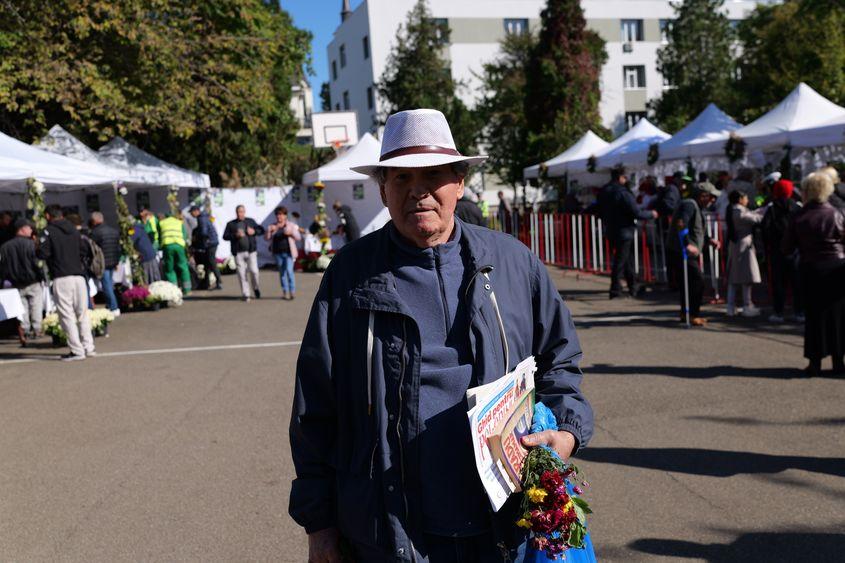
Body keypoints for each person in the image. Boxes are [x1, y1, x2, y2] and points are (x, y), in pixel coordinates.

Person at [289, 109, 592, 562]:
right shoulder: (349, 275)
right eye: (402, 177)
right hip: (388, 531)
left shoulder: (513, 263)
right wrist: (320, 524)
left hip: (505, 526)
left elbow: (559, 361)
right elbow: (315, 405)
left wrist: (565, 433)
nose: (418, 190)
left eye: (433, 174)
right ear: (383, 190)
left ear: (460, 182)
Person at [782, 172, 845, 376]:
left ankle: (815, 362)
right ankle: (838, 361)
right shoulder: (838, 214)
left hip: (811, 267)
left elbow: (786, 247)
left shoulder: (799, 216)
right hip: (837, 268)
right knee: (838, 316)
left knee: (814, 316)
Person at [40, 205, 95, 361]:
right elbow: (84, 249)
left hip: (61, 276)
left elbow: (43, 253)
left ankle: (77, 350)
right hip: (79, 276)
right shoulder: (74, 230)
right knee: (82, 313)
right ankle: (88, 347)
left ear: (48, 216)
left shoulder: (48, 231)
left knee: (67, 315)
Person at [598, 166, 658, 298]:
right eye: (625, 177)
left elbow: (599, 209)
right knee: (620, 261)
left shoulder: (604, 191)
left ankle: (633, 285)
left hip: (611, 229)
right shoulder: (623, 192)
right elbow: (635, 211)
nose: (626, 180)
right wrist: (651, 214)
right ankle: (615, 289)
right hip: (624, 230)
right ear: (620, 177)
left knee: (626, 259)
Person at [667, 183, 722, 326]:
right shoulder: (689, 205)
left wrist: (709, 240)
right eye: (711, 197)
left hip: (682, 250)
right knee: (697, 281)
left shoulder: (695, 206)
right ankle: (692, 314)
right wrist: (687, 243)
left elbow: (696, 228)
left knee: (688, 282)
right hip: (681, 251)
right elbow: (681, 223)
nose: (713, 200)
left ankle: (686, 313)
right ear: (703, 195)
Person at [762, 179, 803, 323]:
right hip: (796, 250)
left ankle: (778, 312)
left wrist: (768, 244)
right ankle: (799, 312)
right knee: (797, 282)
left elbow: (765, 229)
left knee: (779, 283)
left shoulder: (772, 208)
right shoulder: (798, 207)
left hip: (777, 250)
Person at [725, 190, 768, 317]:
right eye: (746, 198)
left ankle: (731, 306)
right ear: (740, 199)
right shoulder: (739, 211)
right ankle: (747, 305)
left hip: (736, 245)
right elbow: (755, 219)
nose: (747, 200)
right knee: (746, 277)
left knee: (734, 278)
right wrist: (765, 211)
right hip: (743, 246)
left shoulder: (732, 210)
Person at [0, 219, 43, 343]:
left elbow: (3, 267)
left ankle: (25, 330)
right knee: (36, 306)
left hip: (16, 283)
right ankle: (37, 329)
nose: (31, 230)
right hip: (33, 280)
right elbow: (37, 263)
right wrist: (41, 276)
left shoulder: (5, 247)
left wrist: (5, 280)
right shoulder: (31, 244)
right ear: (22, 229)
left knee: (21, 308)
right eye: (29, 228)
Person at [222, 205, 264, 301]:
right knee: (241, 274)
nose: (240, 214)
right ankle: (246, 294)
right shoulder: (231, 224)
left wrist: (254, 231)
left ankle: (256, 288)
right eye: (238, 212)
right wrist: (235, 235)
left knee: (254, 271)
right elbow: (225, 236)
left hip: (251, 251)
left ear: (244, 212)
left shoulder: (250, 221)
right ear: (236, 213)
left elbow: (261, 230)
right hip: (238, 253)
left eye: (242, 212)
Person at [88, 212, 122, 314]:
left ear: (94, 221)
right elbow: (118, 248)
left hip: (102, 263)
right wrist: (117, 261)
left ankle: (113, 307)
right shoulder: (113, 231)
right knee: (109, 284)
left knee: (106, 286)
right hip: (112, 261)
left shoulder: (95, 233)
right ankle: (111, 305)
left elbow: (91, 249)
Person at [265, 206, 301, 300]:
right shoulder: (272, 226)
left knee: (289, 271)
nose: (279, 216)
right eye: (277, 214)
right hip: (278, 253)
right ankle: (285, 291)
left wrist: (291, 233)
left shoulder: (291, 225)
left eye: (281, 214)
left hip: (289, 253)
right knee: (282, 273)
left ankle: (292, 292)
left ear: (285, 216)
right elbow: (266, 238)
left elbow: (298, 237)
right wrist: (270, 230)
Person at [158, 211, 192, 296]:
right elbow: (184, 235)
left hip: (167, 246)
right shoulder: (179, 222)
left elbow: (159, 236)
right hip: (179, 246)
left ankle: (174, 290)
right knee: (183, 267)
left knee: (169, 269)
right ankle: (187, 289)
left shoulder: (161, 223)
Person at [189, 205, 222, 290]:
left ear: (196, 211)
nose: (191, 215)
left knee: (211, 262)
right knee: (207, 263)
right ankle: (206, 283)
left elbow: (204, 232)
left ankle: (219, 281)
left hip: (210, 243)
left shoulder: (201, 218)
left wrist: (198, 238)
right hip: (211, 242)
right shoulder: (204, 217)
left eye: (191, 212)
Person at [131, 220, 160, 284]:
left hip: (145, 256)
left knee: (148, 278)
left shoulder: (134, 229)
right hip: (150, 254)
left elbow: (131, 240)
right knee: (154, 276)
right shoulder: (140, 228)